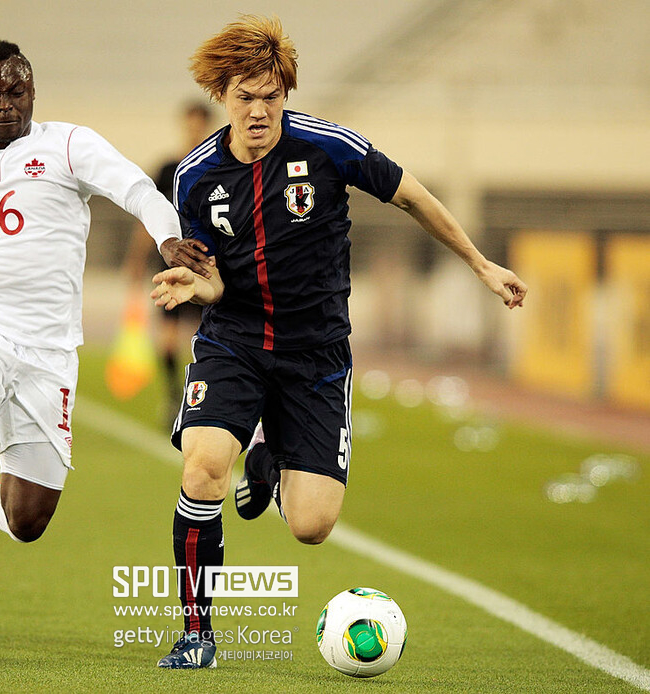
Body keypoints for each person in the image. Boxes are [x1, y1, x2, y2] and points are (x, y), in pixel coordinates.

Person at [150, 15, 527, 669]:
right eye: (246, 97)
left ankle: (266, 458)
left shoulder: (328, 147)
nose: (260, 110)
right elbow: (212, 278)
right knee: (203, 467)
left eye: (272, 95)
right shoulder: (195, 176)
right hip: (234, 341)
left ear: (286, 93)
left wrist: (480, 264)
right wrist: (198, 286)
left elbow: (413, 197)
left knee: (311, 526)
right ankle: (196, 634)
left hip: (317, 354)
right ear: (223, 96)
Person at [0, 40, 208, 652]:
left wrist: (167, 239)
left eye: (16, 91)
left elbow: (137, 189)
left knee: (25, 518)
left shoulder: (69, 146)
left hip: (48, 354)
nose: (5, 104)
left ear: (32, 92)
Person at [121, 103, 214, 421]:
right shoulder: (167, 170)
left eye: (199, 125)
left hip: (205, 264)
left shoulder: (216, 166)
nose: (194, 130)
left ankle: (201, 394)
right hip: (171, 261)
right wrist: (136, 258)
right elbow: (148, 217)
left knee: (205, 336)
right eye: (190, 125)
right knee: (168, 337)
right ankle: (175, 395)